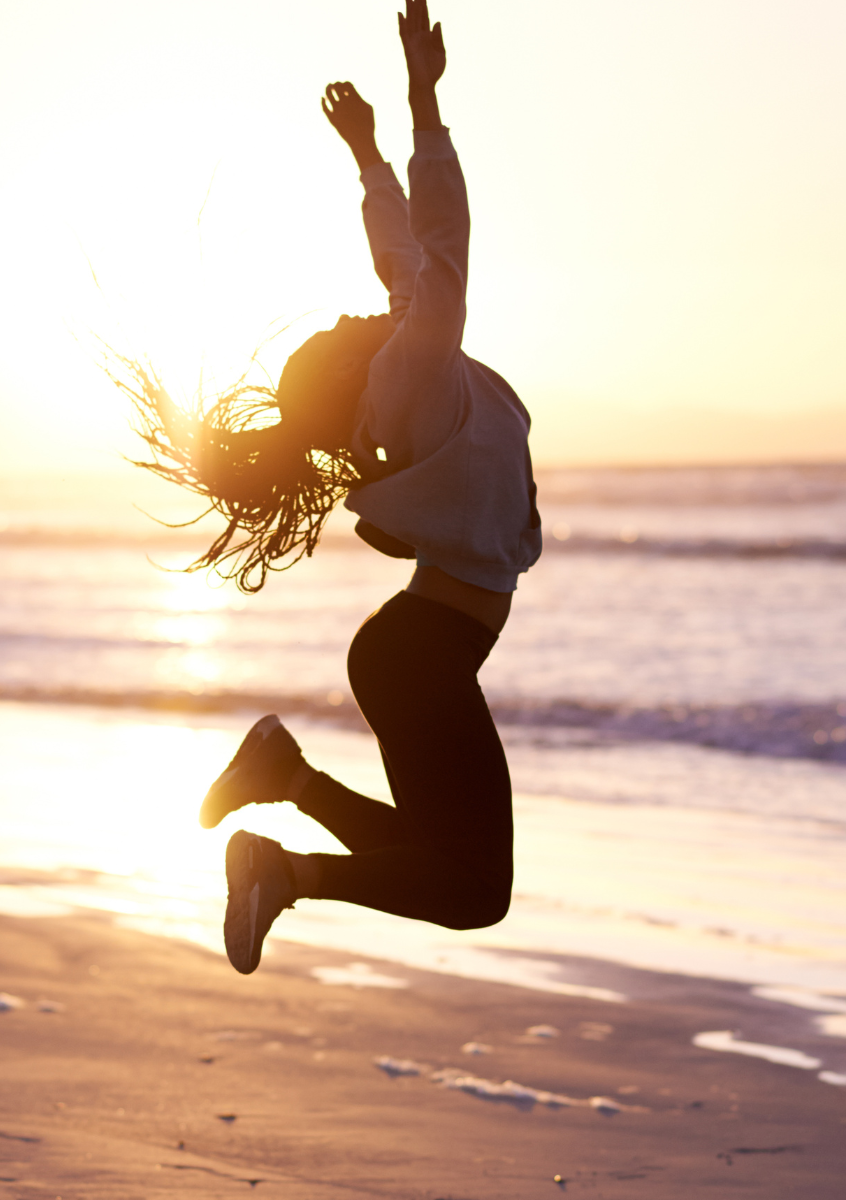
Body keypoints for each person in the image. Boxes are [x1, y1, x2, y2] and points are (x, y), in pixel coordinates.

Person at [122, 0, 540, 975]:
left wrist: (364, 159)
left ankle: (285, 794)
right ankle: (280, 857)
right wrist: (422, 103)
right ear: (357, 373)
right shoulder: (413, 371)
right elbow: (440, 237)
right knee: (472, 886)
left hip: (416, 648)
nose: (358, 314)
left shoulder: (394, 379)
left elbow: (398, 256)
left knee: (463, 875)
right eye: (343, 333)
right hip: (420, 656)